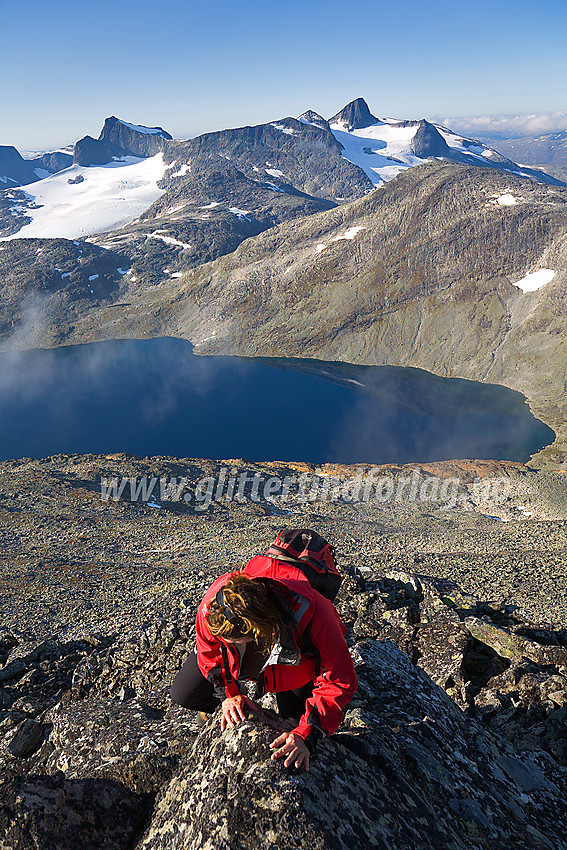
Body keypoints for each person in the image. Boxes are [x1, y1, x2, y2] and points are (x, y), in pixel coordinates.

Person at [170, 552, 358, 772]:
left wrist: (305, 733)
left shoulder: (318, 616)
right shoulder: (216, 603)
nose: (225, 645)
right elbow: (208, 648)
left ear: (258, 633)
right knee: (184, 694)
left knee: (294, 722)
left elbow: (340, 681)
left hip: (295, 662)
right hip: (266, 637)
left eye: (233, 642)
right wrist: (229, 695)